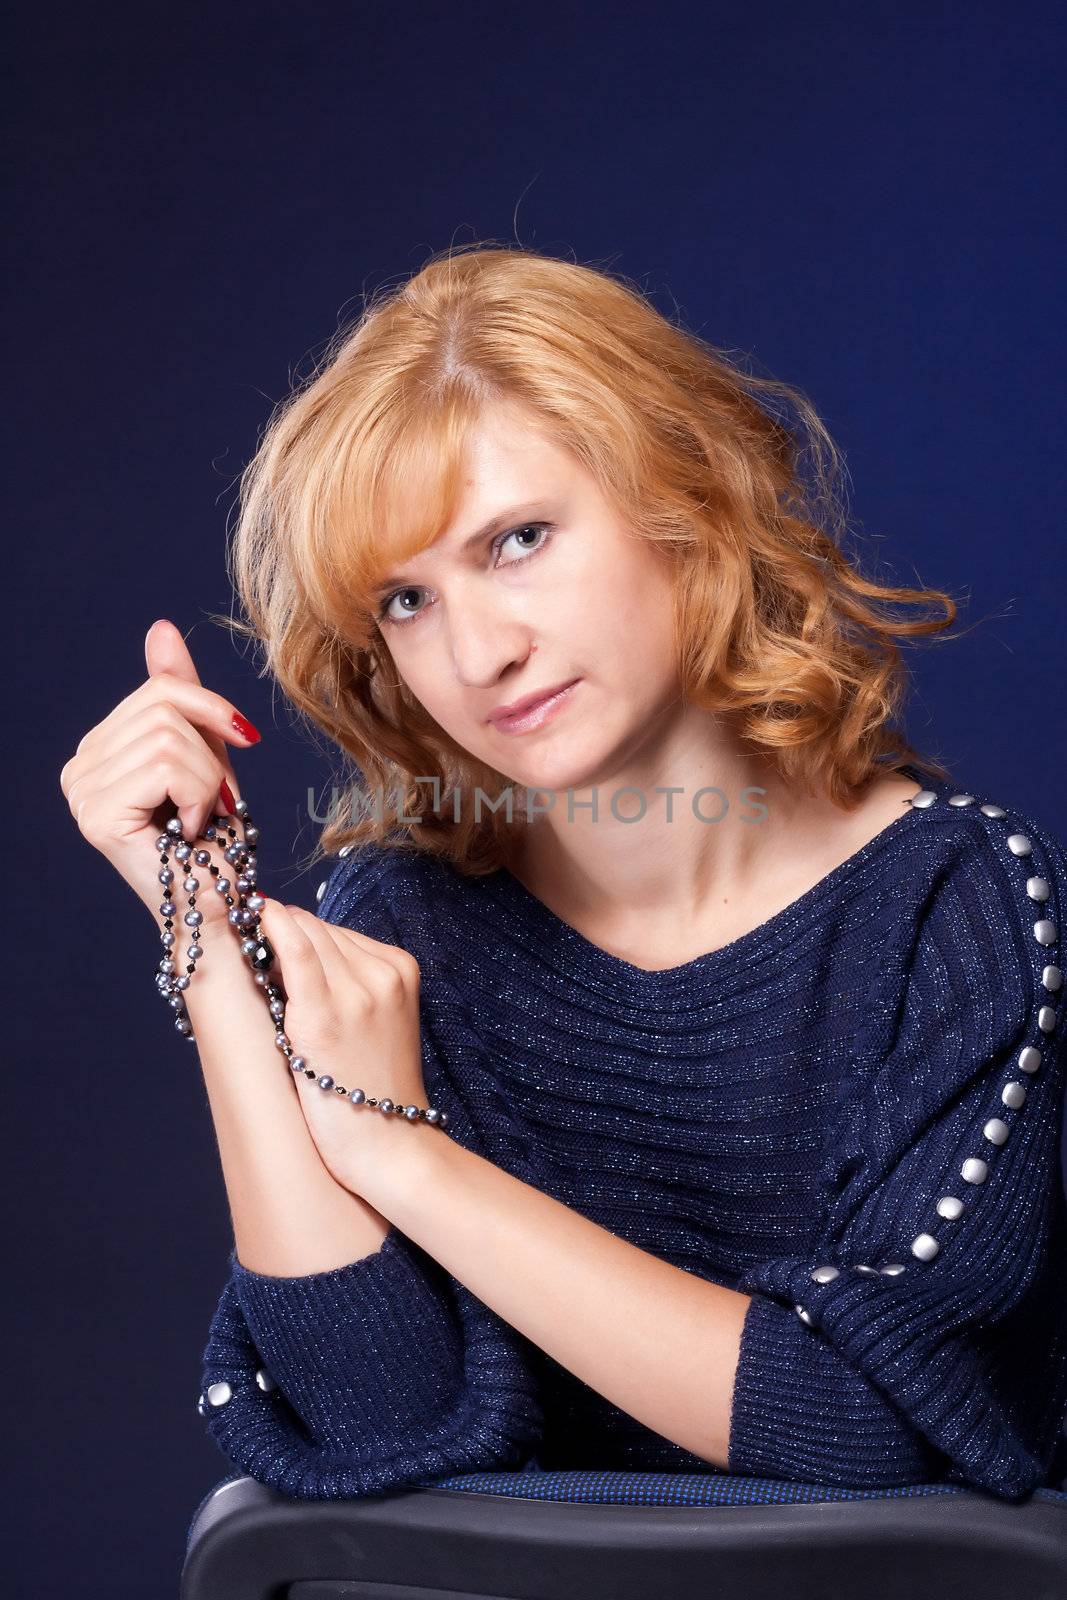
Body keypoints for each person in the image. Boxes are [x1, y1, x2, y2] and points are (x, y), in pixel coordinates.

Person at [60, 243, 1067, 1508]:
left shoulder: (957, 906)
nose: (479, 651)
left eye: (517, 539)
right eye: (406, 602)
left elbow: (876, 1429)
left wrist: (404, 1157)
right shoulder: (406, 922)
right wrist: (202, 939)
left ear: (685, 504)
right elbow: (375, 1439)